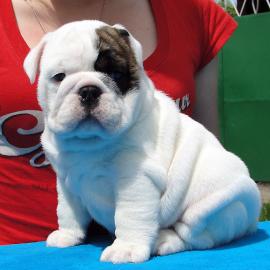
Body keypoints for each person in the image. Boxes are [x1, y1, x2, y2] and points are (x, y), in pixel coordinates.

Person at [0, 0, 237, 245]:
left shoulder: (192, 11)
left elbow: (206, 141)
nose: (88, 93)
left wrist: (135, 238)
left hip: (176, 225)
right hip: (15, 248)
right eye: (60, 77)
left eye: (113, 75)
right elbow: (67, 176)